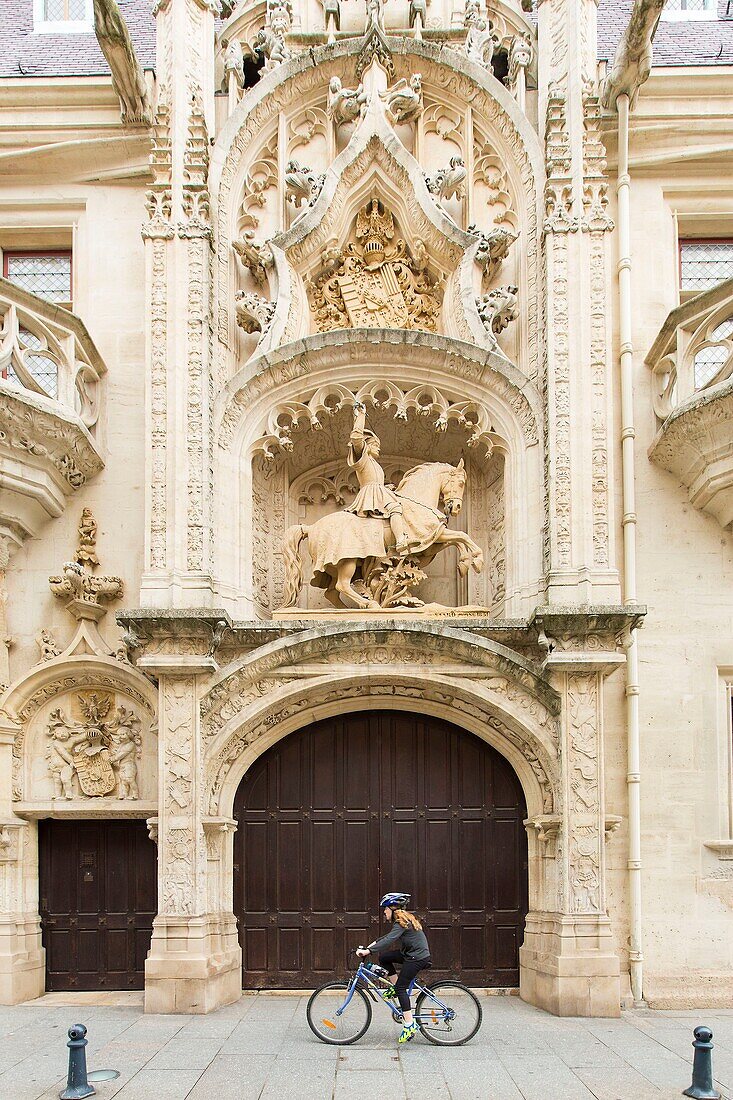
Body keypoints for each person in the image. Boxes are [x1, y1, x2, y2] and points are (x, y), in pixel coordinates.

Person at [357, 892, 431, 1044]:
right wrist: (370, 946)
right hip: (411, 954)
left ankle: (409, 1025)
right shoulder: (404, 919)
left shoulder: (401, 922)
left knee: (401, 990)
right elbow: (386, 937)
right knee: (384, 958)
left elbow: (390, 939)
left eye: (385, 909)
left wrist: (369, 951)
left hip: (416, 958)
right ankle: (396, 987)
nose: (384, 912)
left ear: (393, 908)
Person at [344, 402, 410, 555]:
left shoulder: (375, 464)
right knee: (395, 508)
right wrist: (360, 416)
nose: (378, 447)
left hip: (379, 492)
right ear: (367, 447)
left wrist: (387, 489)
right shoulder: (363, 460)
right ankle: (400, 540)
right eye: (374, 445)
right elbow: (356, 438)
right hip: (369, 493)